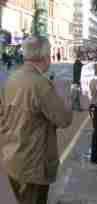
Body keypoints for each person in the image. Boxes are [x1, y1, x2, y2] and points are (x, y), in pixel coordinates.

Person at [0, 35, 73, 204]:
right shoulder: (40, 84)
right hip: (34, 164)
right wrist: (62, 96)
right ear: (45, 56)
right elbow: (64, 119)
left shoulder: (12, 78)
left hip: (13, 157)